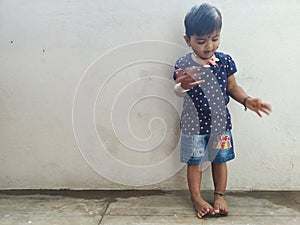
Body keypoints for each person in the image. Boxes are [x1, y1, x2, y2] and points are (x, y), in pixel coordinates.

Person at [173, 3, 272, 219]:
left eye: (215, 38)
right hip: (193, 124)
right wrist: (183, 85)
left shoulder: (225, 61)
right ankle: (196, 197)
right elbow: (178, 90)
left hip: (220, 124)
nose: (209, 46)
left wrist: (246, 100)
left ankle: (219, 195)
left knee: (220, 159)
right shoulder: (183, 64)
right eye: (201, 41)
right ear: (187, 40)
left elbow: (232, 87)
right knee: (195, 162)